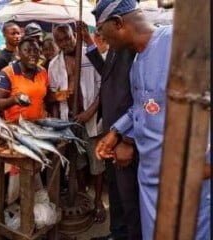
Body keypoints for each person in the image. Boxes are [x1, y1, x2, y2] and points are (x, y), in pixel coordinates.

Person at [92, 1, 209, 239]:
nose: (103, 41)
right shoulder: (136, 63)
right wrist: (116, 132)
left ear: (118, 23)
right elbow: (142, 108)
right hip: (151, 182)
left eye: (103, 33)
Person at [79, 20, 142, 240]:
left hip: (124, 134)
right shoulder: (116, 49)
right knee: (115, 190)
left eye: (102, 27)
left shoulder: (132, 50)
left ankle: (129, 234)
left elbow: (141, 101)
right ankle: (117, 232)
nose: (100, 34)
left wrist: (127, 138)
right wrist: (89, 43)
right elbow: (107, 74)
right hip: (111, 131)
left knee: (128, 195)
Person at [48, 24, 106, 222]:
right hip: (70, 121)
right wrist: (59, 122)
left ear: (75, 35)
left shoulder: (90, 55)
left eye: (68, 38)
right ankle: (82, 195)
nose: (65, 43)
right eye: (60, 41)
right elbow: (53, 96)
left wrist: (90, 112)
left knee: (96, 163)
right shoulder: (54, 64)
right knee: (77, 163)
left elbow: (103, 87)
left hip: (91, 119)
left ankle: (98, 201)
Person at [0, 37, 48, 122]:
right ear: (19, 53)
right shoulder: (8, 73)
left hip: (39, 124)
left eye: (36, 50)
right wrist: (13, 100)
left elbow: (45, 98)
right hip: (16, 126)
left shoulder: (42, 71)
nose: (32, 54)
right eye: (27, 50)